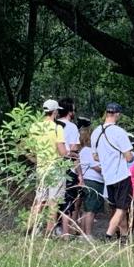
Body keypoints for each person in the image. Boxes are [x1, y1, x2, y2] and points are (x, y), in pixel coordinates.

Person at [90, 102, 134, 243]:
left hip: (107, 177)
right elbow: (129, 157)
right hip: (121, 175)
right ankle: (108, 236)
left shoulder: (95, 132)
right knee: (121, 209)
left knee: (116, 209)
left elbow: (95, 156)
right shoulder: (119, 132)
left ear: (106, 113)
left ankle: (124, 237)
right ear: (117, 114)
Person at [28, 99, 68, 235]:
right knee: (53, 202)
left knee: (39, 201)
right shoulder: (58, 128)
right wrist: (68, 154)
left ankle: (30, 229)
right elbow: (62, 151)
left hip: (41, 169)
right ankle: (49, 232)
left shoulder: (34, 127)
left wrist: (37, 160)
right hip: (55, 169)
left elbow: (28, 150)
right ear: (55, 112)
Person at [56, 98, 84, 236]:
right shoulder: (72, 127)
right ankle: (66, 234)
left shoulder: (54, 125)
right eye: (73, 109)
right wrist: (80, 174)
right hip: (68, 168)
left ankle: (54, 229)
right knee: (68, 202)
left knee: (53, 200)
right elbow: (74, 152)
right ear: (70, 111)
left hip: (53, 166)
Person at [78, 128, 104, 237]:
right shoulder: (89, 151)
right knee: (91, 210)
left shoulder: (82, 151)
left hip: (87, 180)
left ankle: (83, 233)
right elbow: (96, 167)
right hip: (93, 181)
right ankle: (88, 234)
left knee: (86, 208)